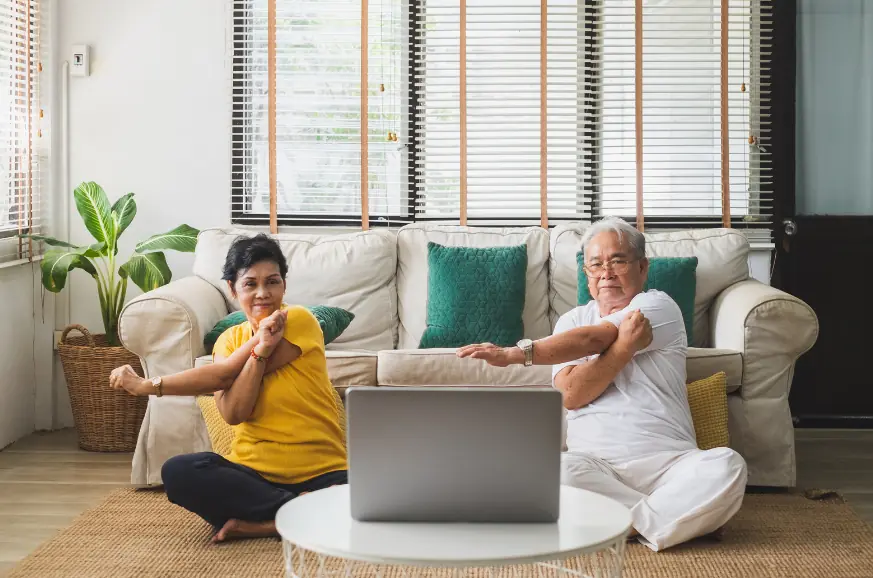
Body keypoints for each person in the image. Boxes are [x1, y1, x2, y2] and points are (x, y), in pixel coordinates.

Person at [457, 216, 747, 551]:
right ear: (586, 274)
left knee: (727, 465)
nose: (606, 272)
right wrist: (625, 348)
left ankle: (624, 523)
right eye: (596, 264)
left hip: (671, 464)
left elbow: (597, 338)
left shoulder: (658, 305)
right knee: (555, 472)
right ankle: (679, 517)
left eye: (618, 261)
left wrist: (515, 354)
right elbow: (571, 394)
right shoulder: (572, 322)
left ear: (642, 267)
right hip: (596, 468)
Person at [109, 234, 347, 542]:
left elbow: (223, 375)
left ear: (284, 286)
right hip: (254, 478)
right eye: (250, 284)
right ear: (232, 290)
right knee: (180, 472)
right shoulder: (227, 341)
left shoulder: (299, 319)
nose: (263, 293)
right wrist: (260, 352)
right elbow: (234, 413)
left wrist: (147, 386)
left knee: (378, 497)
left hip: (323, 473)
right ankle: (300, 513)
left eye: (272, 282)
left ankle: (269, 522)